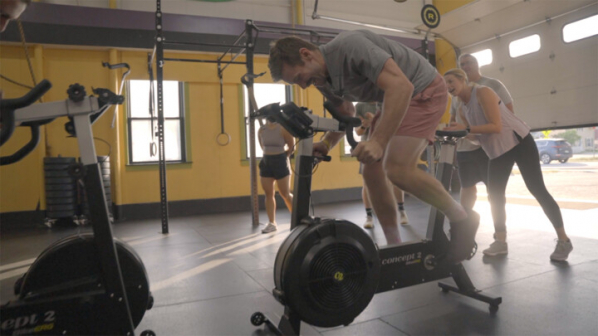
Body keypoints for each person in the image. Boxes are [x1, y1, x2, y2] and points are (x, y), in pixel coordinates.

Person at [268, 29, 479, 264]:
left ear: (306, 54)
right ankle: (395, 247)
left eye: (298, 77)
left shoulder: (350, 46)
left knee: (397, 169)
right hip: (394, 97)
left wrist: (378, 141)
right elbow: (346, 112)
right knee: (371, 170)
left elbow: (401, 86)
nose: (303, 85)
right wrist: (327, 143)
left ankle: (461, 218)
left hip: (423, 89)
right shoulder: (319, 77)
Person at [443, 68, 573, 262]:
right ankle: (500, 242)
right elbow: (478, 139)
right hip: (497, 151)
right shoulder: (462, 108)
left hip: (519, 142)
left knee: (537, 188)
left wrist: (467, 128)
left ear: (463, 80)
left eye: (451, 81)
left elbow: (496, 126)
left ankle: (564, 240)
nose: (449, 87)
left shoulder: (483, 92)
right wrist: (461, 134)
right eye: (446, 85)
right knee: (495, 195)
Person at [450, 54, 514, 256]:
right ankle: (462, 234)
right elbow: (454, 121)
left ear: (477, 65)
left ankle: (500, 239)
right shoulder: (456, 93)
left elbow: (508, 114)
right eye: (462, 65)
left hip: (488, 149)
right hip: (465, 150)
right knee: (467, 192)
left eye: (469, 63)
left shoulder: (491, 86)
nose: (465, 66)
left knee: (495, 194)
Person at [355, 102, 408, 229]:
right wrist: (365, 125)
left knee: (395, 179)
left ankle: (401, 211)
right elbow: (358, 132)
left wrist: (378, 123)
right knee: (367, 182)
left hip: (388, 146)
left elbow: (398, 126)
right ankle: (369, 217)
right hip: (369, 147)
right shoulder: (360, 106)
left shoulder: (388, 101)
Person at [258, 117, 295, 234]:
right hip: (266, 161)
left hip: (280, 161)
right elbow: (262, 146)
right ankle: (272, 223)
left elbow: (291, 146)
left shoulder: (283, 129)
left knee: (285, 194)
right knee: (268, 193)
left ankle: (297, 219)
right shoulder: (261, 130)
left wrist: (284, 157)